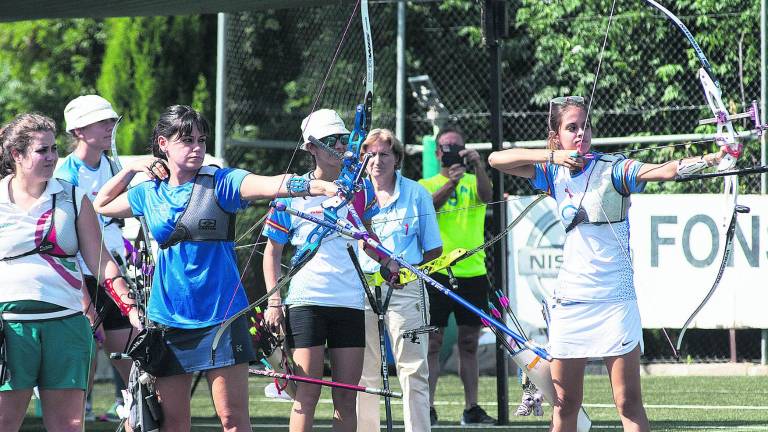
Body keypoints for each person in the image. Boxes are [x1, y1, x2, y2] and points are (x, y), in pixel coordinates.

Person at [93, 105, 339, 432]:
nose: (197, 148)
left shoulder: (221, 182)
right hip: (168, 319)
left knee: (233, 421)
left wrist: (316, 187)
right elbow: (102, 204)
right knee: (173, 423)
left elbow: (269, 183)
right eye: (187, 140)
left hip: (221, 319)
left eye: (201, 140)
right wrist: (135, 166)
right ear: (163, 144)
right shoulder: (148, 192)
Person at [487, 95, 726, 431]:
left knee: (627, 403)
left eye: (585, 126)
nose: (581, 133)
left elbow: (665, 170)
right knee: (565, 405)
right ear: (557, 136)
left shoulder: (614, 169)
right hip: (571, 302)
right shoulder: (552, 171)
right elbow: (497, 159)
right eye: (572, 128)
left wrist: (715, 158)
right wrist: (554, 157)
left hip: (615, 301)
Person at [0, 113, 138, 432]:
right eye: (41, 151)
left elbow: (101, 262)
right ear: (16, 155)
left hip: (66, 324)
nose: (51, 157)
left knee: (69, 426)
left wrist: (130, 307)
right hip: (9, 329)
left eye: (53, 149)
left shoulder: (73, 197)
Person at [262, 109, 390, 432]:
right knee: (307, 393)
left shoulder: (359, 189)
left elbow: (367, 236)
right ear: (311, 148)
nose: (339, 146)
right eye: (330, 141)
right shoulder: (293, 190)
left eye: (343, 139)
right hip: (306, 301)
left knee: (347, 397)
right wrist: (274, 302)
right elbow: (272, 251)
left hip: (348, 300)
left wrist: (387, 261)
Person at [355, 129, 442, 432]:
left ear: (397, 159)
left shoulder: (417, 193)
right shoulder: (354, 194)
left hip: (406, 287)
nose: (377, 160)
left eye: (384, 154)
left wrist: (408, 276)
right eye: (371, 154)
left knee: (413, 369)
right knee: (364, 371)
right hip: (361, 286)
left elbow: (434, 249)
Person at [55, 94, 133, 421]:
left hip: (110, 268)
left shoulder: (113, 165)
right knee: (84, 345)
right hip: (77, 272)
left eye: (111, 121)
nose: (109, 127)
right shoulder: (63, 171)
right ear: (79, 131)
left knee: (125, 342)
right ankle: (78, 407)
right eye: (102, 122)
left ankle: (133, 401)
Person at [418, 126, 496, 426]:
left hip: (472, 271)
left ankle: (472, 408)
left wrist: (477, 165)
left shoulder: (475, 181)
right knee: (433, 342)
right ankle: (428, 407)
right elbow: (429, 208)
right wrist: (450, 184)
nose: (450, 152)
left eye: (457, 147)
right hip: (437, 271)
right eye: (445, 147)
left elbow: (487, 197)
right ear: (437, 153)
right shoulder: (426, 184)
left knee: (469, 343)